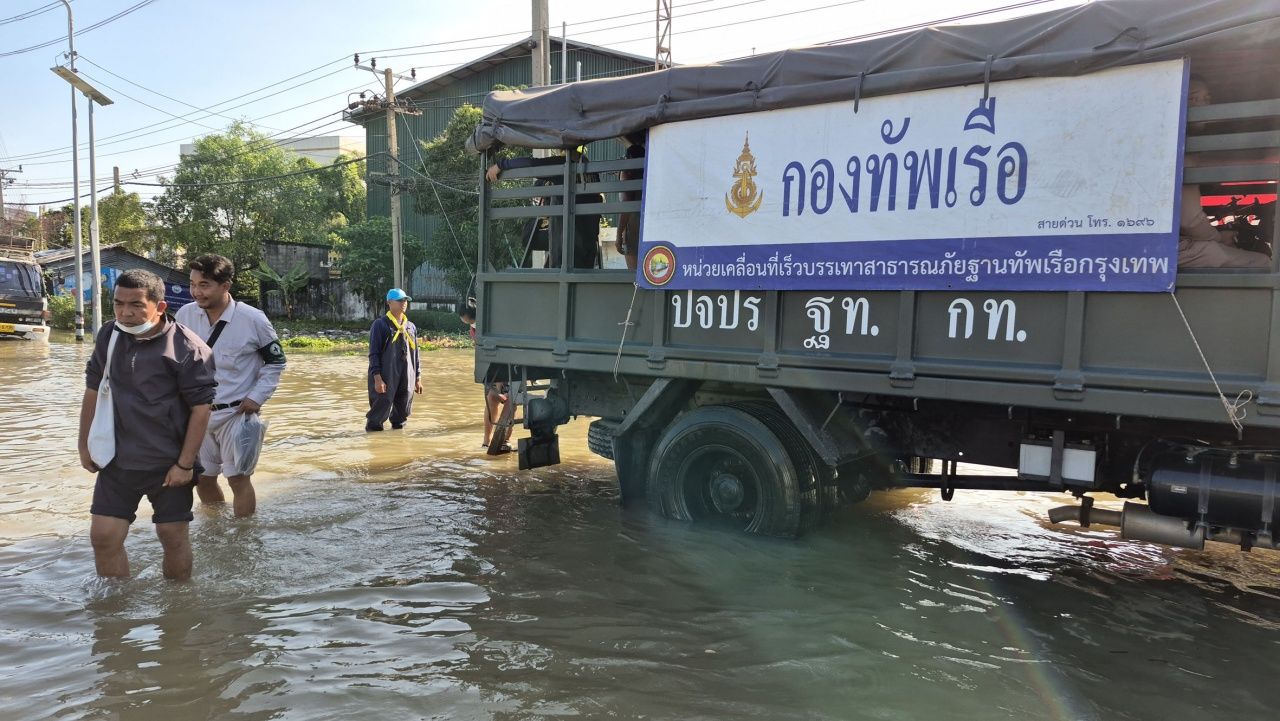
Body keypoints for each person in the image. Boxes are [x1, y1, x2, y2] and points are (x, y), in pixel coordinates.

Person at [78, 269, 216, 580]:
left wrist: (183, 465)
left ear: (160, 306)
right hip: (118, 459)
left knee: (172, 536)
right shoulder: (109, 335)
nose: (125, 313)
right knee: (103, 538)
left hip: (169, 464)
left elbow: (201, 410)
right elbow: (93, 388)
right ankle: (114, 615)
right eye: (118, 303)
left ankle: (178, 612)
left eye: (137, 305)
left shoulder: (187, 348)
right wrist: (83, 444)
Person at [175, 253, 286, 517]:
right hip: (198, 414)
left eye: (204, 285)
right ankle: (216, 531)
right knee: (202, 478)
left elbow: (276, 362)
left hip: (237, 414)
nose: (196, 292)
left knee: (238, 479)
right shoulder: (185, 315)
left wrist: (257, 398)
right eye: (192, 284)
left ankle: (243, 538)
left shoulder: (254, 319)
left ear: (225, 286)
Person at [1178, 75, 1271, 269]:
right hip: (1171, 249)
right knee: (1261, 262)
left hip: (1164, 244)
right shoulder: (1181, 151)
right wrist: (1218, 237)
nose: (1203, 106)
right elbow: (1191, 221)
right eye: (1193, 99)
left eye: (1206, 99)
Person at [486, 148, 603, 269]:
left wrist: (501, 164)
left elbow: (531, 164)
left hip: (567, 254)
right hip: (587, 252)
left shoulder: (564, 164)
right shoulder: (589, 168)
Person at [459, 301, 512, 451]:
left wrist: (501, 380)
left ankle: (505, 440)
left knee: (510, 403)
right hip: (491, 368)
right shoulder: (475, 329)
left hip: (505, 368)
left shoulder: (490, 325)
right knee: (491, 401)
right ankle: (486, 441)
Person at [367, 288, 422, 431]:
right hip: (387, 374)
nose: (404, 303)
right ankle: (374, 441)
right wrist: (377, 378)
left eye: (405, 300)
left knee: (402, 411)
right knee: (379, 410)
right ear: (389, 303)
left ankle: (398, 441)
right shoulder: (381, 325)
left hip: (406, 373)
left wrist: (417, 377)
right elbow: (374, 354)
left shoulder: (410, 326)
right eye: (400, 300)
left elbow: (415, 354)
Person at [615, 132, 646, 270]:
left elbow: (626, 205)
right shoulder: (650, 170)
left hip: (634, 225)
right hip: (651, 225)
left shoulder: (627, 172)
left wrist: (619, 234)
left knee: (634, 274)